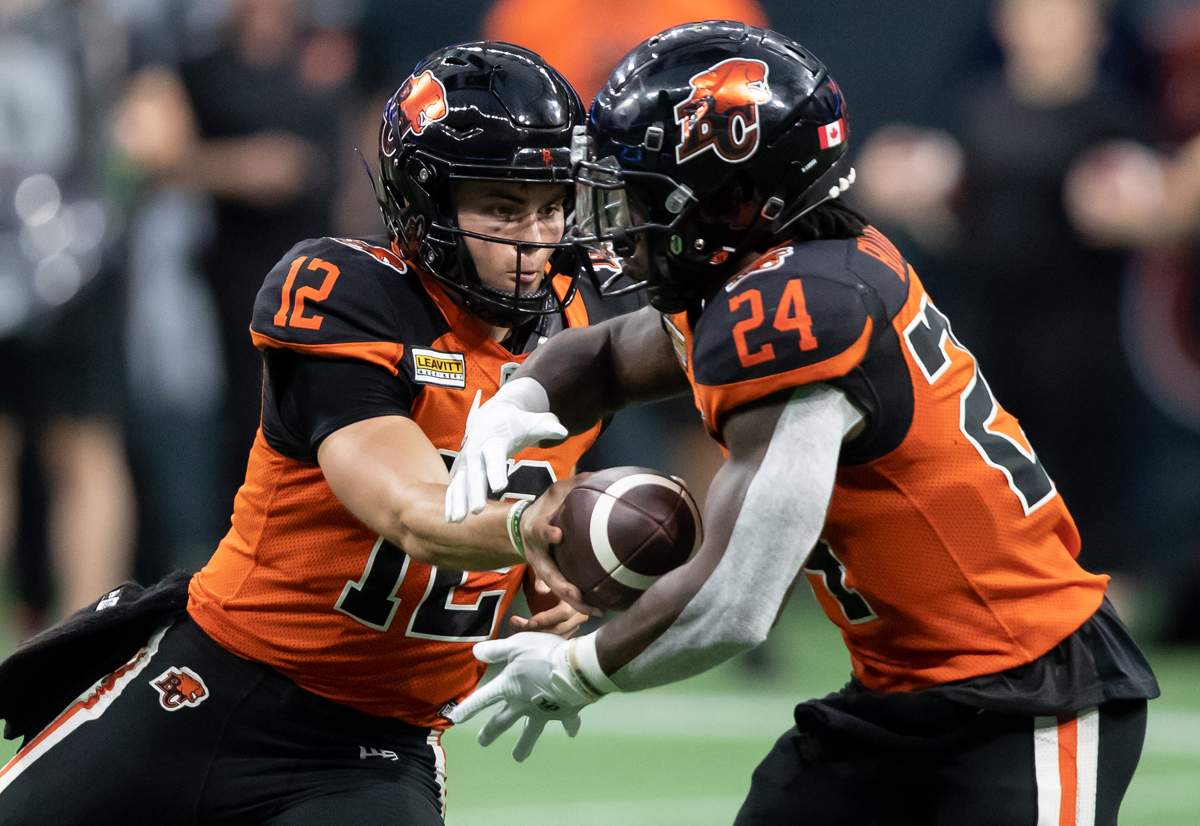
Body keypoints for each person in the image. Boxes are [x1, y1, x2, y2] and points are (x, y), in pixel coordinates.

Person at [443, 21, 1160, 824]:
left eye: (635, 191)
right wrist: (514, 405)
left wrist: (581, 668)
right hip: (897, 689)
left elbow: (736, 600)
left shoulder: (797, 312)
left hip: (1028, 684)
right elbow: (611, 357)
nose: (610, 217)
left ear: (721, 197)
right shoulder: (760, 274)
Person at [0, 42, 612, 825]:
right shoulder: (351, 295)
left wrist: (556, 579)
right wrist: (534, 530)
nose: (536, 238)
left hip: (370, 749)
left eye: (551, 205)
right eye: (502, 206)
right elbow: (408, 509)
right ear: (426, 205)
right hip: (213, 686)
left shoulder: (587, 331)